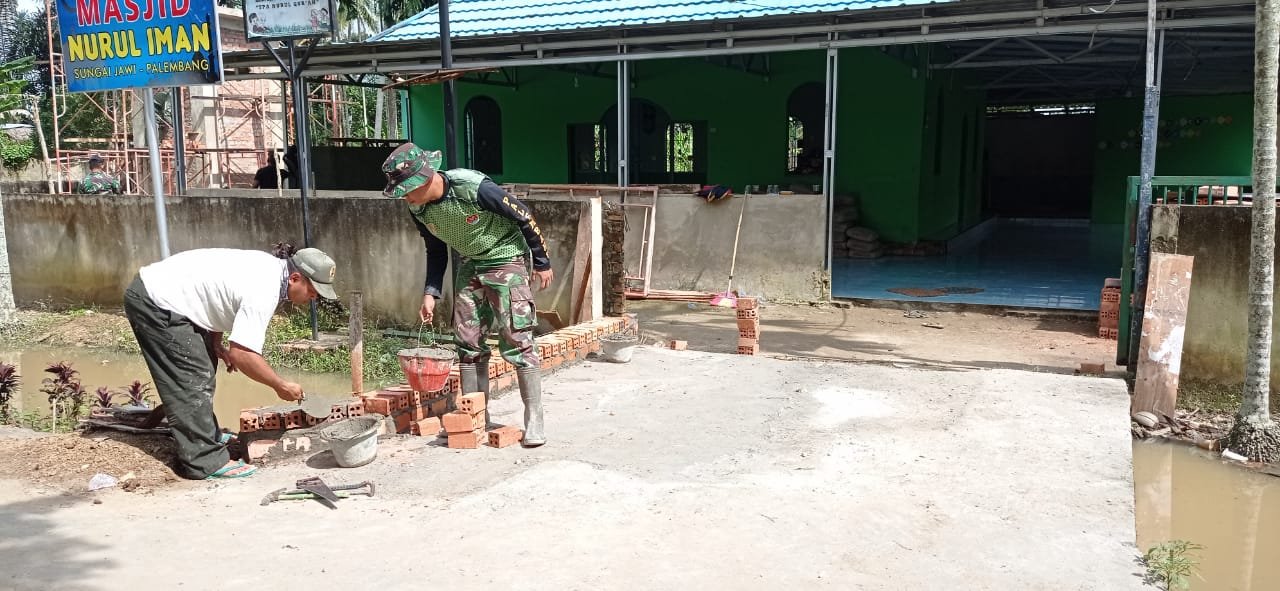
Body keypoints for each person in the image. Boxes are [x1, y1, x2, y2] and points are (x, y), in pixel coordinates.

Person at [382, 143, 553, 447]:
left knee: (517, 337)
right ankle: (476, 417)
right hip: (471, 262)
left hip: (504, 257)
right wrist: (431, 292)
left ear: (424, 179)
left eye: (407, 190)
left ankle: (535, 419)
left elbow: (523, 215)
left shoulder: (473, 188)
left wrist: (541, 262)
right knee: (468, 341)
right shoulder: (418, 208)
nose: (405, 198)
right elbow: (435, 251)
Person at [122, 245, 340, 479]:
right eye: (313, 290)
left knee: (203, 365)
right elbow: (242, 355)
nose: (315, 297)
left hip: (174, 297)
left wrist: (215, 343)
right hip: (156, 301)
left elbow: (218, 300)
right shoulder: (264, 290)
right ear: (295, 278)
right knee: (192, 376)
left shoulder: (271, 270)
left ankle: (207, 435)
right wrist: (280, 385)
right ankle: (204, 460)